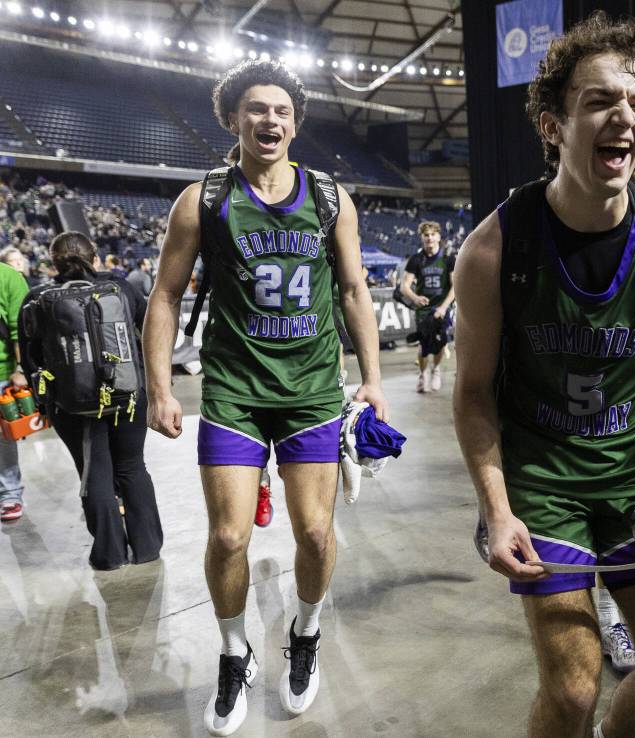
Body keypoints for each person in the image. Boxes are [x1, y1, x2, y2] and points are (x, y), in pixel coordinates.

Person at [453, 13, 635, 737]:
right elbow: (472, 393)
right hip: (544, 489)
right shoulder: (493, 250)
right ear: (552, 124)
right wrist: (498, 509)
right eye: (599, 101)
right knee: (571, 692)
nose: (622, 117)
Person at [142, 60, 388, 736]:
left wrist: (370, 378)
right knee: (227, 535)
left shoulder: (330, 196)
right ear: (233, 119)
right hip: (234, 390)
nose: (270, 120)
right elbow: (163, 296)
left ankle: (304, 633)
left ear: (296, 123)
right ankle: (232, 651)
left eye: (282, 110)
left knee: (314, 531)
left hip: (310, 390)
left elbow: (353, 291)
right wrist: (160, 387)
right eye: (256, 109)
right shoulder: (203, 199)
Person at [18, 232, 162, 568]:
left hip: (73, 404)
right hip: (128, 394)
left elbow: (31, 359)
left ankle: (109, 555)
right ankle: (147, 548)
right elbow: (149, 329)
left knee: (94, 472)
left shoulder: (37, 298)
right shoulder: (121, 287)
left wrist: (45, 403)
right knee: (132, 467)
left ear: (52, 262)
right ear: (94, 256)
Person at [400, 221, 455, 393]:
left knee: (439, 342)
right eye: (426, 235)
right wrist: (415, 298)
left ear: (439, 236)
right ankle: (423, 374)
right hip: (423, 309)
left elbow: (456, 286)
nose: (430, 238)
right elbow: (404, 286)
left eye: (433, 234)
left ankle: (436, 369)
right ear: (422, 238)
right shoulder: (416, 260)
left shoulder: (448, 258)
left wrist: (444, 307)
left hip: (442, 307)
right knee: (424, 345)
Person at [0, 258, 28, 523]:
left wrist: (21, 368)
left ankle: (9, 493)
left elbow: (19, 329)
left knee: (2, 439)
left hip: (2, 372)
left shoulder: (8, 277)